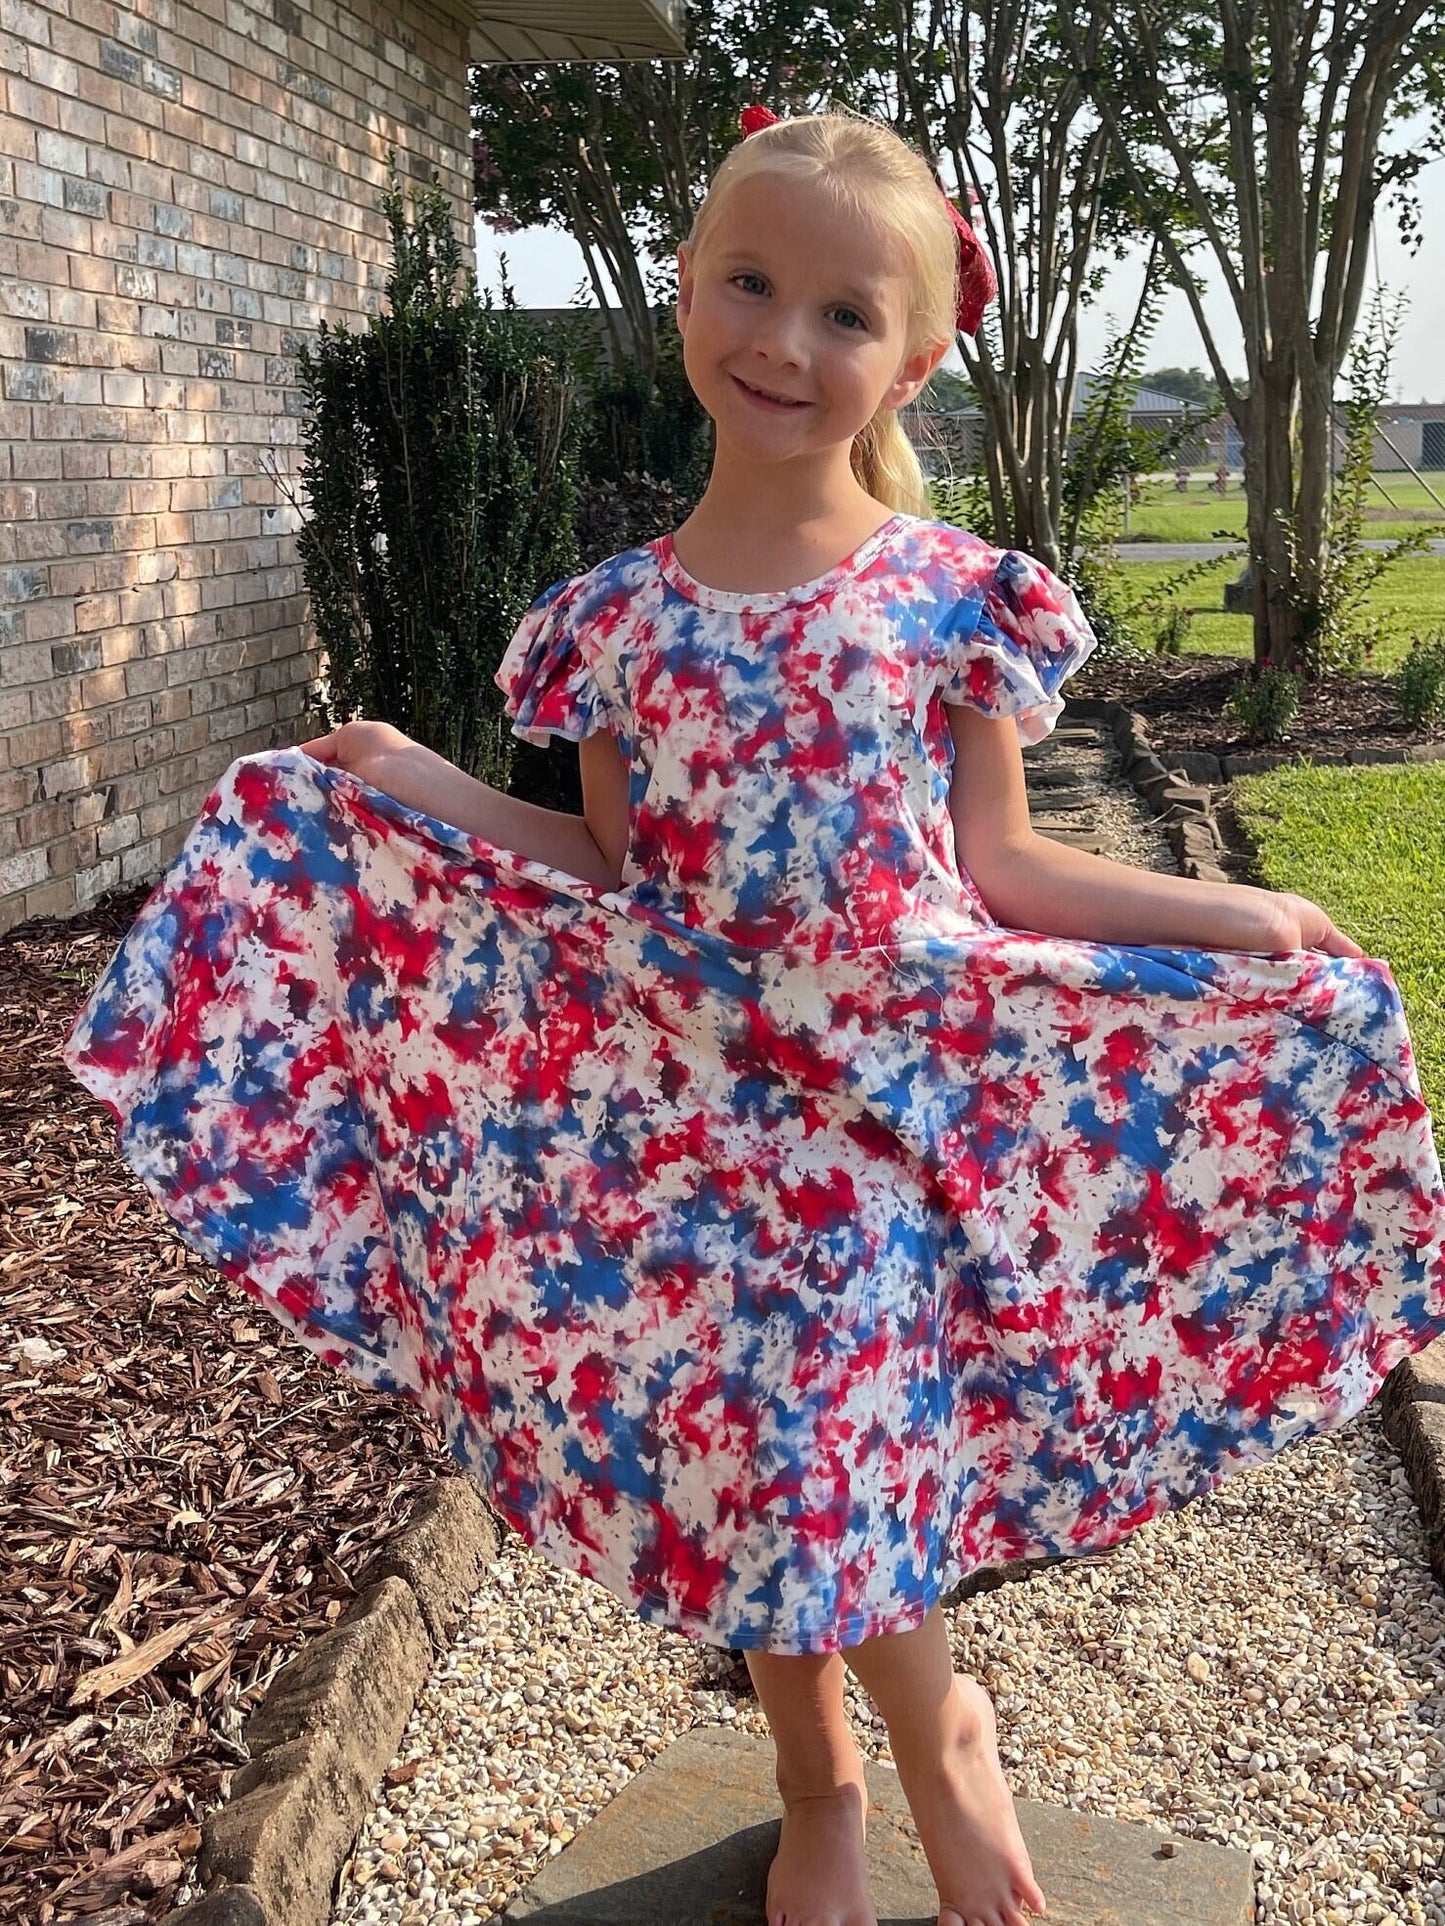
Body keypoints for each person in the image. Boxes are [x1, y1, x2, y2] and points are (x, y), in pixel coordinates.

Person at [63, 111, 1445, 1926]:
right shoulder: (613, 625)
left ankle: (934, 1745)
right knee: (739, 1468)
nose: (783, 341)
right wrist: (415, 777)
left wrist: (1237, 915)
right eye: (747, 284)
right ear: (687, 295)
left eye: (841, 313)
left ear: (915, 352)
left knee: (819, 1452)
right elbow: (614, 862)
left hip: (882, 1117)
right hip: (681, 1117)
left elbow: (1005, 866)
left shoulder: (951, 599)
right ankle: (821, 1786)